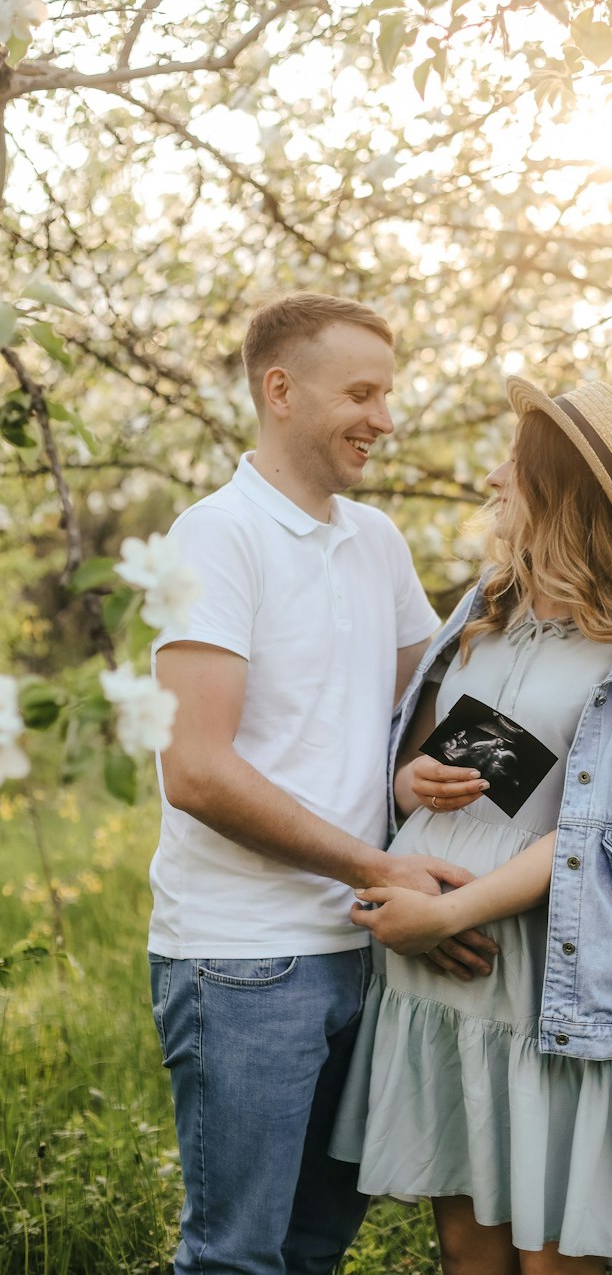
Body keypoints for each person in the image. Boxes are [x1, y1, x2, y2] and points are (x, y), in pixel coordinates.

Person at [331, 377, 612, 1275]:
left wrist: (447, 916)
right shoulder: (483, 615)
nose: (491, 475)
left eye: (512, 459)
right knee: (468, 1254)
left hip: (546, 983)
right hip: (442, 983)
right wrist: (410, 780)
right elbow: (415, 761)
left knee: (554, 1260)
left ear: (554, 485)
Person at [148, 292, 495, 1275]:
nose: (386, 419)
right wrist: (378, 864)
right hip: (244, 960)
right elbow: (199, 773)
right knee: (236, 1258)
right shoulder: (213, 539)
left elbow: (431, 709)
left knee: (313, 1245)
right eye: (363, 393)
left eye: (389, 394)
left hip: (359, 946)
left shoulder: (375, 539)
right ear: (281, 390)